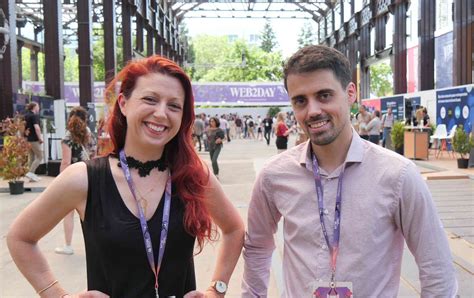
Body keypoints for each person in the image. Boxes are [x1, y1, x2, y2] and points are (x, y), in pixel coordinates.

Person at [7, 55, 245, 298]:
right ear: (123, 103)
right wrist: (57, 295)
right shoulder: (85, 179)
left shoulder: (193, 174)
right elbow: (20, 238)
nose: (161, 113)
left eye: (174, 106)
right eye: (150, 99)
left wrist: (217, 290)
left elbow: (234, 228)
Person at [242, 45, 457, 297]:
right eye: (300, 100)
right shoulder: (273, 176)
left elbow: (436, 265)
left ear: (350, 93)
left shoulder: (398, 175)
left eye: (324, 95)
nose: (312, 111)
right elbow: (257, 247)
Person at [54, 106, 95, 255]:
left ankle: (68, 246)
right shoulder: (89, 135)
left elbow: (66, 162)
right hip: (91, 176)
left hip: (74, 179)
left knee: (68, 212)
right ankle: (95, 246)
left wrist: (60, 181)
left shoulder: (67, 138)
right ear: (85, 119)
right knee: (90, 214)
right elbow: (95, 155)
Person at [24, 102, 44, 182]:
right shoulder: (34, 116)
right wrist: (40, 138)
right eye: (38, 106)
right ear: (34, 107)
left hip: (28, 139)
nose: (39, 108)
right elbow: (37, 128)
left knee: (31, 157)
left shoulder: (26, 116)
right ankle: (31, 173)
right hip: (34, 139)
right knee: (40, 156)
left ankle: (31, 177)